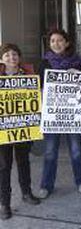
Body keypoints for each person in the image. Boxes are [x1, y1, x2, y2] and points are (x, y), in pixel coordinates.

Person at [38, 29, 81, 199]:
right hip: (52, 114)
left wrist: (80, 75)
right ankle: (46, 185)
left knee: (76, 150)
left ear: (67, 43)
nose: (56, 44)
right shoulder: (44, 63)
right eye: (53, 41)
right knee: (50, 151)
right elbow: (38, 88)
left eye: (60, 40)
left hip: (72, 115)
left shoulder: (78, 62)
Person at [0, 44, 41, 220]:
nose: (11, 58)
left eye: (15, 54)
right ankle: (4, 203)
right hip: (3, 130)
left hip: (24, 127)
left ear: (19, 57)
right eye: (7, 55)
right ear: (1, 59)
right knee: (4, 167)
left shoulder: (29, 75)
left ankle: (26, 192)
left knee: (24, 161)